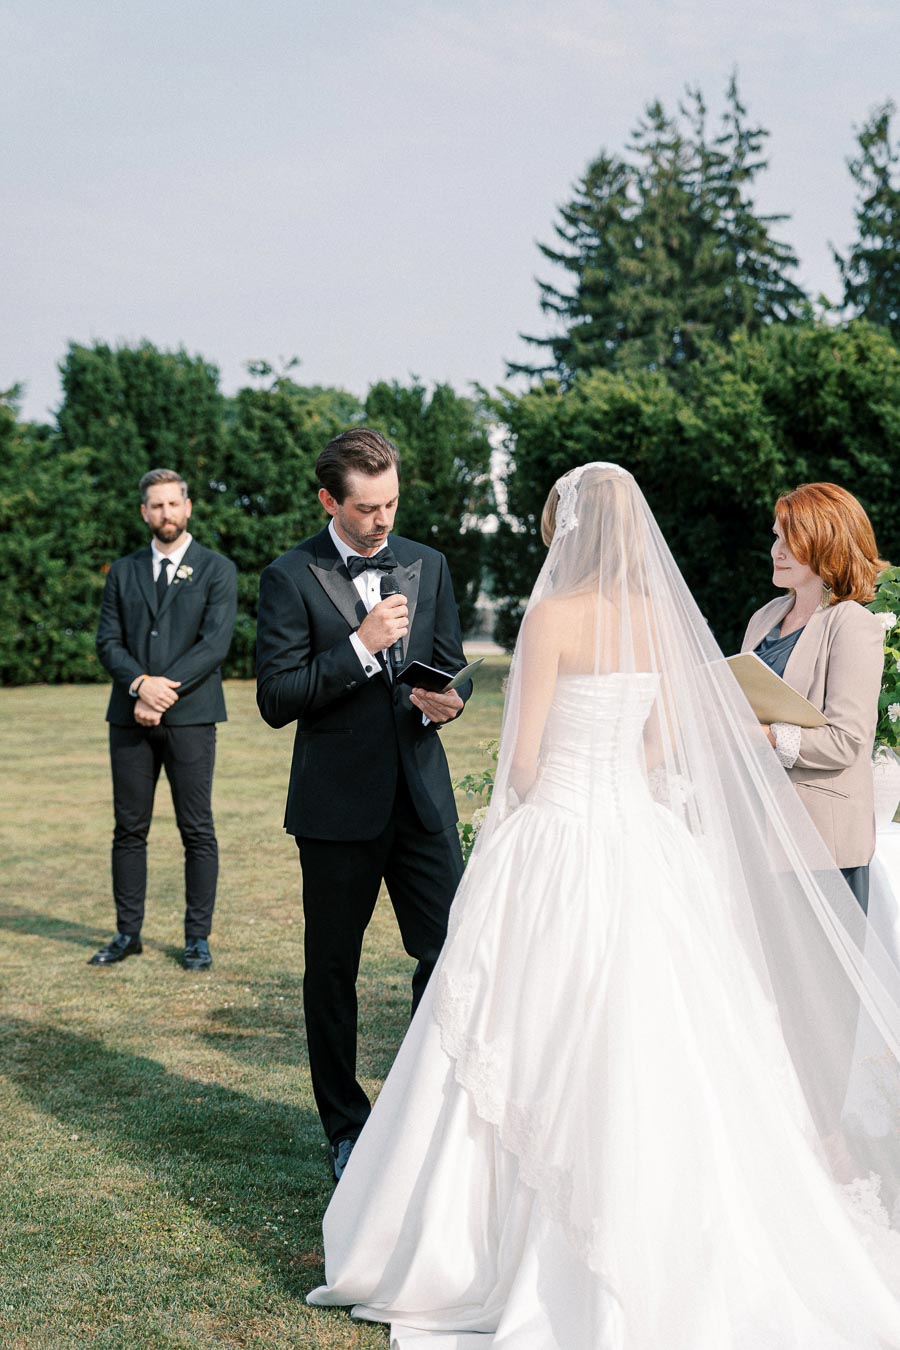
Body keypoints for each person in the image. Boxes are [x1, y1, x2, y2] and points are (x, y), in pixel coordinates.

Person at [308, 464, 900, 1349]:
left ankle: (494, 1229)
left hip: (562, 834)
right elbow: (662, 744)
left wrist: (531, 819)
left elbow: (524, 761)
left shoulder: (552, 617)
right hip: (639, 839)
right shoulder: (656, 620)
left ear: (570, 530)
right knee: (666, 1034)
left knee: (525, 1026)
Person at [255, 427, 472, 1182]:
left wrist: (448, 699)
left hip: (421, 800)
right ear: (329, 500)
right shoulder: (289, 576)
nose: (383, 520)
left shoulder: (430, 564)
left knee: (450, 956)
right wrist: (357, 645)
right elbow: (276, 699)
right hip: (336, 808)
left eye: (392, 504)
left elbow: (454, 665)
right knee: (333, 972)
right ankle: (346, 1127)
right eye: (367, 508)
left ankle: (424, 1109)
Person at [93, 468, 237, 971]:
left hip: (192, 718)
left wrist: (158, 693)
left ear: (188, 506)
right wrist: (139, 685)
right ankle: (126, 933)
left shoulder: (217, 569)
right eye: (155, 506)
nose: (165, 514)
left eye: (172, 504)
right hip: (128, 718)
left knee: (196, 829)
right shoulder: (125, 571)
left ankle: (197, 938)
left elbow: (214, 645)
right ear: (144, 512)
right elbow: (107, 641)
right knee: (128, 829)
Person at [742, 483, 887, 913]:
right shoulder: (764, 617)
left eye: (791, 540)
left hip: (822, 846)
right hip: (758, 834)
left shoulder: (852, 624)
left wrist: (762, 736)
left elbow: (846, 741)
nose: (776, 551)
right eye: (775, 536)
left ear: (827, 544)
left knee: (825, 982)